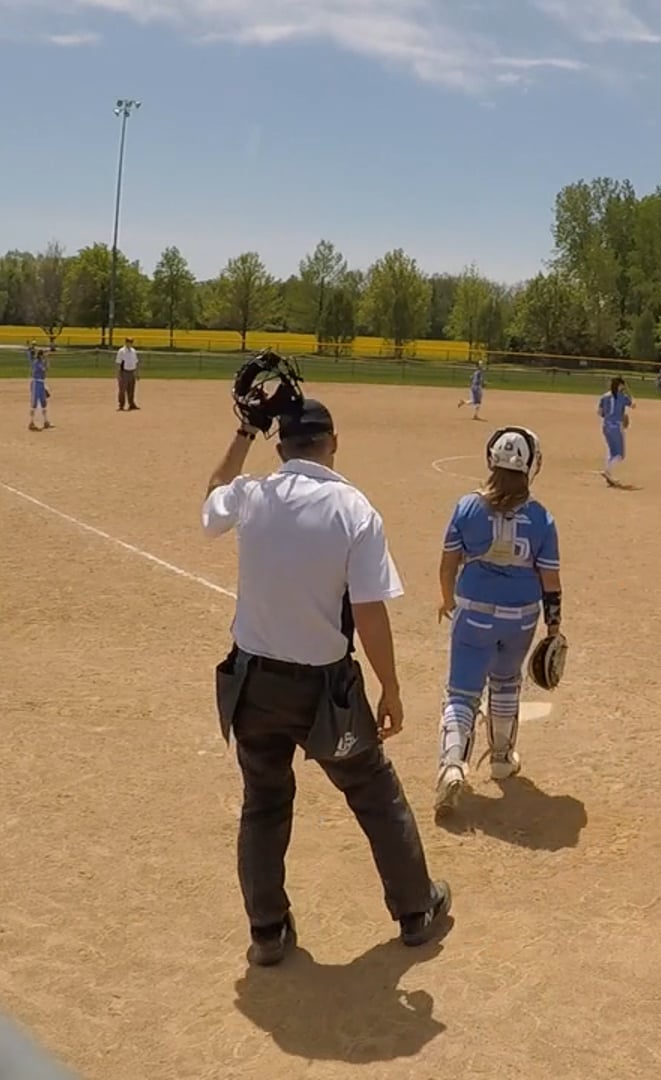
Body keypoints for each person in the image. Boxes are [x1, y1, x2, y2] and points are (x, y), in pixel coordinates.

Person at [202, 396, 451, 965]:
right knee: (373, 791)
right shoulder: (353, 509)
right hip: (323, 690)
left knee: (264, 802)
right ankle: (415, 910)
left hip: (253, 681)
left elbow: (213, 497)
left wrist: (244, 431)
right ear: (332, 442)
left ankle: (267, 930)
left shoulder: (252, 494)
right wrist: (390, 687)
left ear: (279, 447)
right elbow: (367, 611)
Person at [433, 426, 563, 817]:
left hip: (474, 612)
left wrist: (447, 599)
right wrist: (554, 627)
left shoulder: (467, 507)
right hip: (521, 618)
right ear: (531, 465)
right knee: (506, 682)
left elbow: (447, 564)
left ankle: (452, 765)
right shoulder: (542, 518)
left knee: (461, 694)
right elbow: (550, 580)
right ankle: (502, 759)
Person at [597, 377, 633, 487]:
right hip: (616, 427)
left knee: (611, 450)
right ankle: (607, 471)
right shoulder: (623, 397)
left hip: (605, 426)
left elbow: (600, 412)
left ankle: (609, 474)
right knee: (620, 455)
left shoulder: (604, 396)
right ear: (620, 386)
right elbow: (632, 404)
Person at [28, 343, 52, 431]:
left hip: (42, 383)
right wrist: (32, 349)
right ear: (40, 356)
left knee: (44, 403)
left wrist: (47, 359)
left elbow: (47, 368)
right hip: (36, 383)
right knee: (34, 403)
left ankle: (46, 422)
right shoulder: (36, 363)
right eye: (43, 355)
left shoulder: (41, 362)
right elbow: (44, 369)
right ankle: (31, 423)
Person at [115, 337, 140, 411]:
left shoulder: (133, 351)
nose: (130, 343)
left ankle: (131, 404)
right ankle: (121, 405)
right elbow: (118, 363)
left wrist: (137, 373)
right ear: (126, 342)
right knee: (122, 390)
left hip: (132, 372)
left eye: (131, 342)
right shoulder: (121, 351)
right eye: (129, 342)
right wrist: (118, 374)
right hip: (124, 372)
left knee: (131, 389)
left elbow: (136, 362)